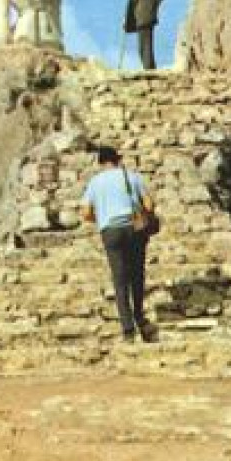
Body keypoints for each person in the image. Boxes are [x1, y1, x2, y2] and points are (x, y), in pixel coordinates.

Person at [80, 146, 156, 342]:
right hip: (134, 229)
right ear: (117, 160)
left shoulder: (95, 182)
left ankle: (128, 330)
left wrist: (103, 216)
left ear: (100, 163)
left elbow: (86, 213)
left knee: (119, 279)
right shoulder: (131, 176)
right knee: (137, 274)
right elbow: (149, 205)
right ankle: (140, 317)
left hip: (110, 232)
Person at [122, 0, 167, 70]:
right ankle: (148, 67)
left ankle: (149, 69)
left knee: (145, 45)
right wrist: (126, 19)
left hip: (146, 18)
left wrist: (152, 6)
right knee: (142, 46)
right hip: (139, 20)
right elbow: (132, 5)